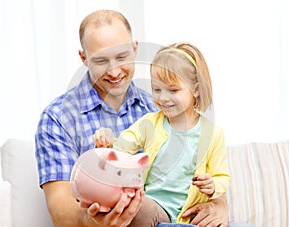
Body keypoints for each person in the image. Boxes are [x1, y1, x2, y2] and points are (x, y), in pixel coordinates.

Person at [35, 9, 246, 227]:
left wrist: (220, 204)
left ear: (135, 49)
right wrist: (93, 221)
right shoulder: (57, 118)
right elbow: (60, 210)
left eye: (122, 57)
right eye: (100, 61)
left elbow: (202, 171)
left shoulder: (160, 108)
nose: (114, 71)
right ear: (84, 58)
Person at [93, 42, 231, 225]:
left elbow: (222, 176)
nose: (163, 98)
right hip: (156, 208)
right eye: (157, 89)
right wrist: (107, 142)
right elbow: (121, 147)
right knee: (137, 207)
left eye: (173, 90)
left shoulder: (213, 134)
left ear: (196, 89)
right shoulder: (150, 123)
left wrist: (212, 185)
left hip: (190, 217)